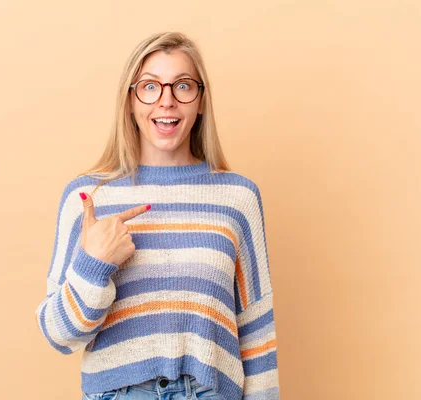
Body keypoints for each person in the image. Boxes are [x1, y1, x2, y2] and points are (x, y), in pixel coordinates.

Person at [34, 32, 280, 400]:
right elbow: (59, 334)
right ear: (130, 101)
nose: (166, 101)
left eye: (182, 86)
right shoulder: (89, 198)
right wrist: (93, 265)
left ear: (200, 102)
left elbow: (256, 329)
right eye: (150, 87)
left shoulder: (237, 197)